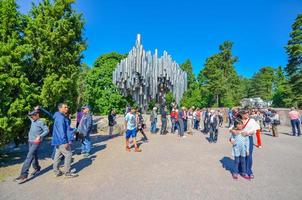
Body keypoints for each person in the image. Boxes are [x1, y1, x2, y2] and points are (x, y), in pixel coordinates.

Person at [39, 104, 78, 178]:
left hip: (57, 140)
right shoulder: (60, 117)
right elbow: (61, 131)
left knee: (58, 156)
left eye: (67, 107)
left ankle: (56, 171)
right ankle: (67, 172)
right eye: (65, 107)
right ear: (60, 108)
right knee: (68, 154)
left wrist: (73, 130)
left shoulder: (59, 116)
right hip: (61, 140)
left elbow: (65, 129)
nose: (67, 108)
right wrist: (65, 141)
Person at [14, 110, 49, 184]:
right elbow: (28, 115)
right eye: (31, 116)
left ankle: (24, 175)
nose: (31, 117)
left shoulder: (41, 122)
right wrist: (34, 109)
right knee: (33, 155)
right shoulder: (33, 120)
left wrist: (40, 136)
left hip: (36, 142)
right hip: (30, 141)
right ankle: (37, 168)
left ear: (37, 115)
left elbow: (47, 130)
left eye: (33, 116)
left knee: (29, 156)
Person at [231, 110, 260, 179]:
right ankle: (241, 170)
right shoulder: (238, 120)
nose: (247, 114)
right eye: (245, 113)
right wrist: (233, 131)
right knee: (241, 155)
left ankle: (249, 171)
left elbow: (257, 128)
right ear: (241, 114)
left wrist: (248, 133)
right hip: (239, 139)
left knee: (249, 155)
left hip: (248, 139)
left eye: (247, 113)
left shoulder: (251, 121)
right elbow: (231, 128)